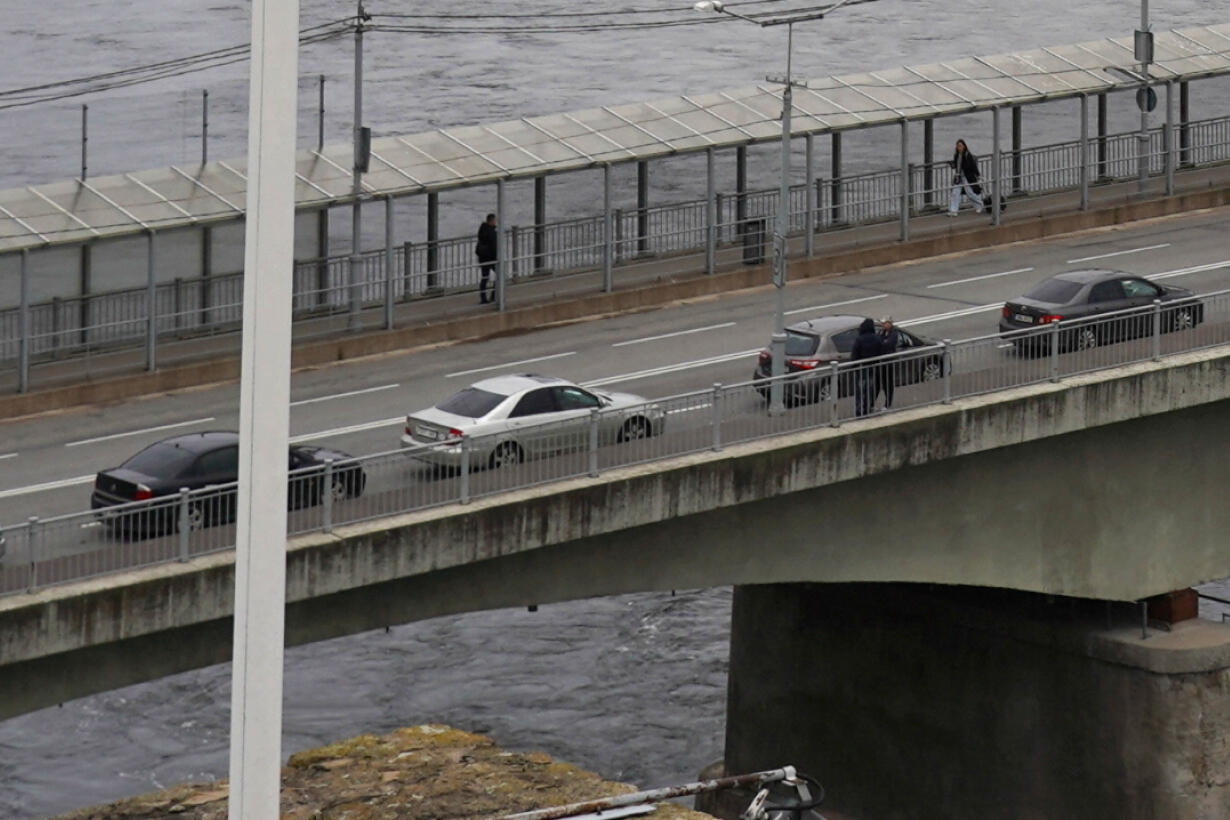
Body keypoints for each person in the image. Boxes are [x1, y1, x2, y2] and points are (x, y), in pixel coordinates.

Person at [849, 317, 882, 417]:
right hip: (872, 367)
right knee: (869, 389)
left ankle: (859, 410)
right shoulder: (876, 338)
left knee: (860, 390)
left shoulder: (860, 339)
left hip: (861, 367)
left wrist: (854, 364)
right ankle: (867, 408)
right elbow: (880, 351)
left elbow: (855, 353)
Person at [947, 139, 983, 216]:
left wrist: (978, 175)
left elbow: (973, 166)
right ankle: (953, 211)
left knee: (970, 193)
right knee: (955, 193)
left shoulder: (967, 155)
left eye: (960, 146)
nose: (958, 147)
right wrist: (952, 165)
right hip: (958, 176)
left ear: (964, 146)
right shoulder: (956, 155)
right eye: (957, 146)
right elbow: (957, 166)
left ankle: (980, 204)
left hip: (967, 176)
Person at [876, 316, 901, 409]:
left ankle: (888, 403)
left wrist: (882, 343)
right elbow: (879, 342)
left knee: (888, 383)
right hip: (881, 361)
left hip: (888, 361)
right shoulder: (881, 332)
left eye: (884, 323)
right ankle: (872, 403)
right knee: (878, 383)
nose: (882, 325)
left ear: (889, 324)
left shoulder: (893, 333)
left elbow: (888, 344)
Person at [475, 213, 498, 304]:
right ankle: (494, 295)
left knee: (485, 277)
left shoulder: (482, 230)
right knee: (500, 275)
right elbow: (493, 246)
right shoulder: (491, 232)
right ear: (491, 221)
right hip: (491, 258)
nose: (495, 222)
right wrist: (496, 257)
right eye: (494, 220)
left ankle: (483, 298)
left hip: (483, 258)